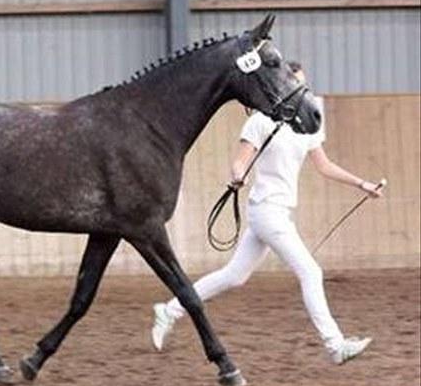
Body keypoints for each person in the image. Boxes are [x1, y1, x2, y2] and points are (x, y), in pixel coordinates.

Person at [151, 61, 383, 365]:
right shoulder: (260, 122)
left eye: (304, 86)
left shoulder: (308, 126)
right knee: (311, 272)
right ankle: (335, 344)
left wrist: (361, 184)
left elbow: (324, 165)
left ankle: (168, 310)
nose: (301, 91)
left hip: (279, 212)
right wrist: (238, 176)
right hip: (266, 211)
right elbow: (239, 161)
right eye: (295, 85)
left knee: (234, 276)